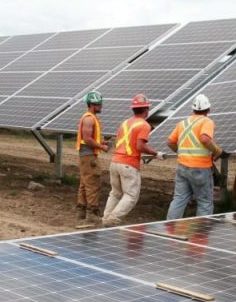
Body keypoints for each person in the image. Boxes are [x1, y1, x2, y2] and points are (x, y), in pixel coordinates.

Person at [102, 94, 159, 226]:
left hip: (115, 162)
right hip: (129, 165)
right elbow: (140, 145)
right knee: (131, 196)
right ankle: (112, 219)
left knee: (115, 193)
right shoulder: (144, 125)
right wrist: (155, 153)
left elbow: (125, 143)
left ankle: (106, 218)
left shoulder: (125, 123)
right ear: (146, 110)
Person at [165, 94, 223, 219]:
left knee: (179, 199)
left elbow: (170, 142)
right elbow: (205, 139)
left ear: (193, 109)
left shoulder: (183, 123)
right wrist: (217, 151)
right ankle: (201, 236)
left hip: (182, 167)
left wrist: (181, 153)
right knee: (204, 202)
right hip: (200, 169)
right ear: (208, 110)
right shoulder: (207, 121)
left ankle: (169, 228)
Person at [75, 90, 110, 223]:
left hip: (86, 155)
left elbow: (90, 138)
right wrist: (102, 147)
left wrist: (101, 142)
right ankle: (92, 213)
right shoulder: (89, 119)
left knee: (84, 184)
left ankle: (81, 212)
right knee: (92, 184)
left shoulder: (90, 118)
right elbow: (87, 138)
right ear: (92, 105)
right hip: (89, 157)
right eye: (99, 104)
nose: (101, 106)